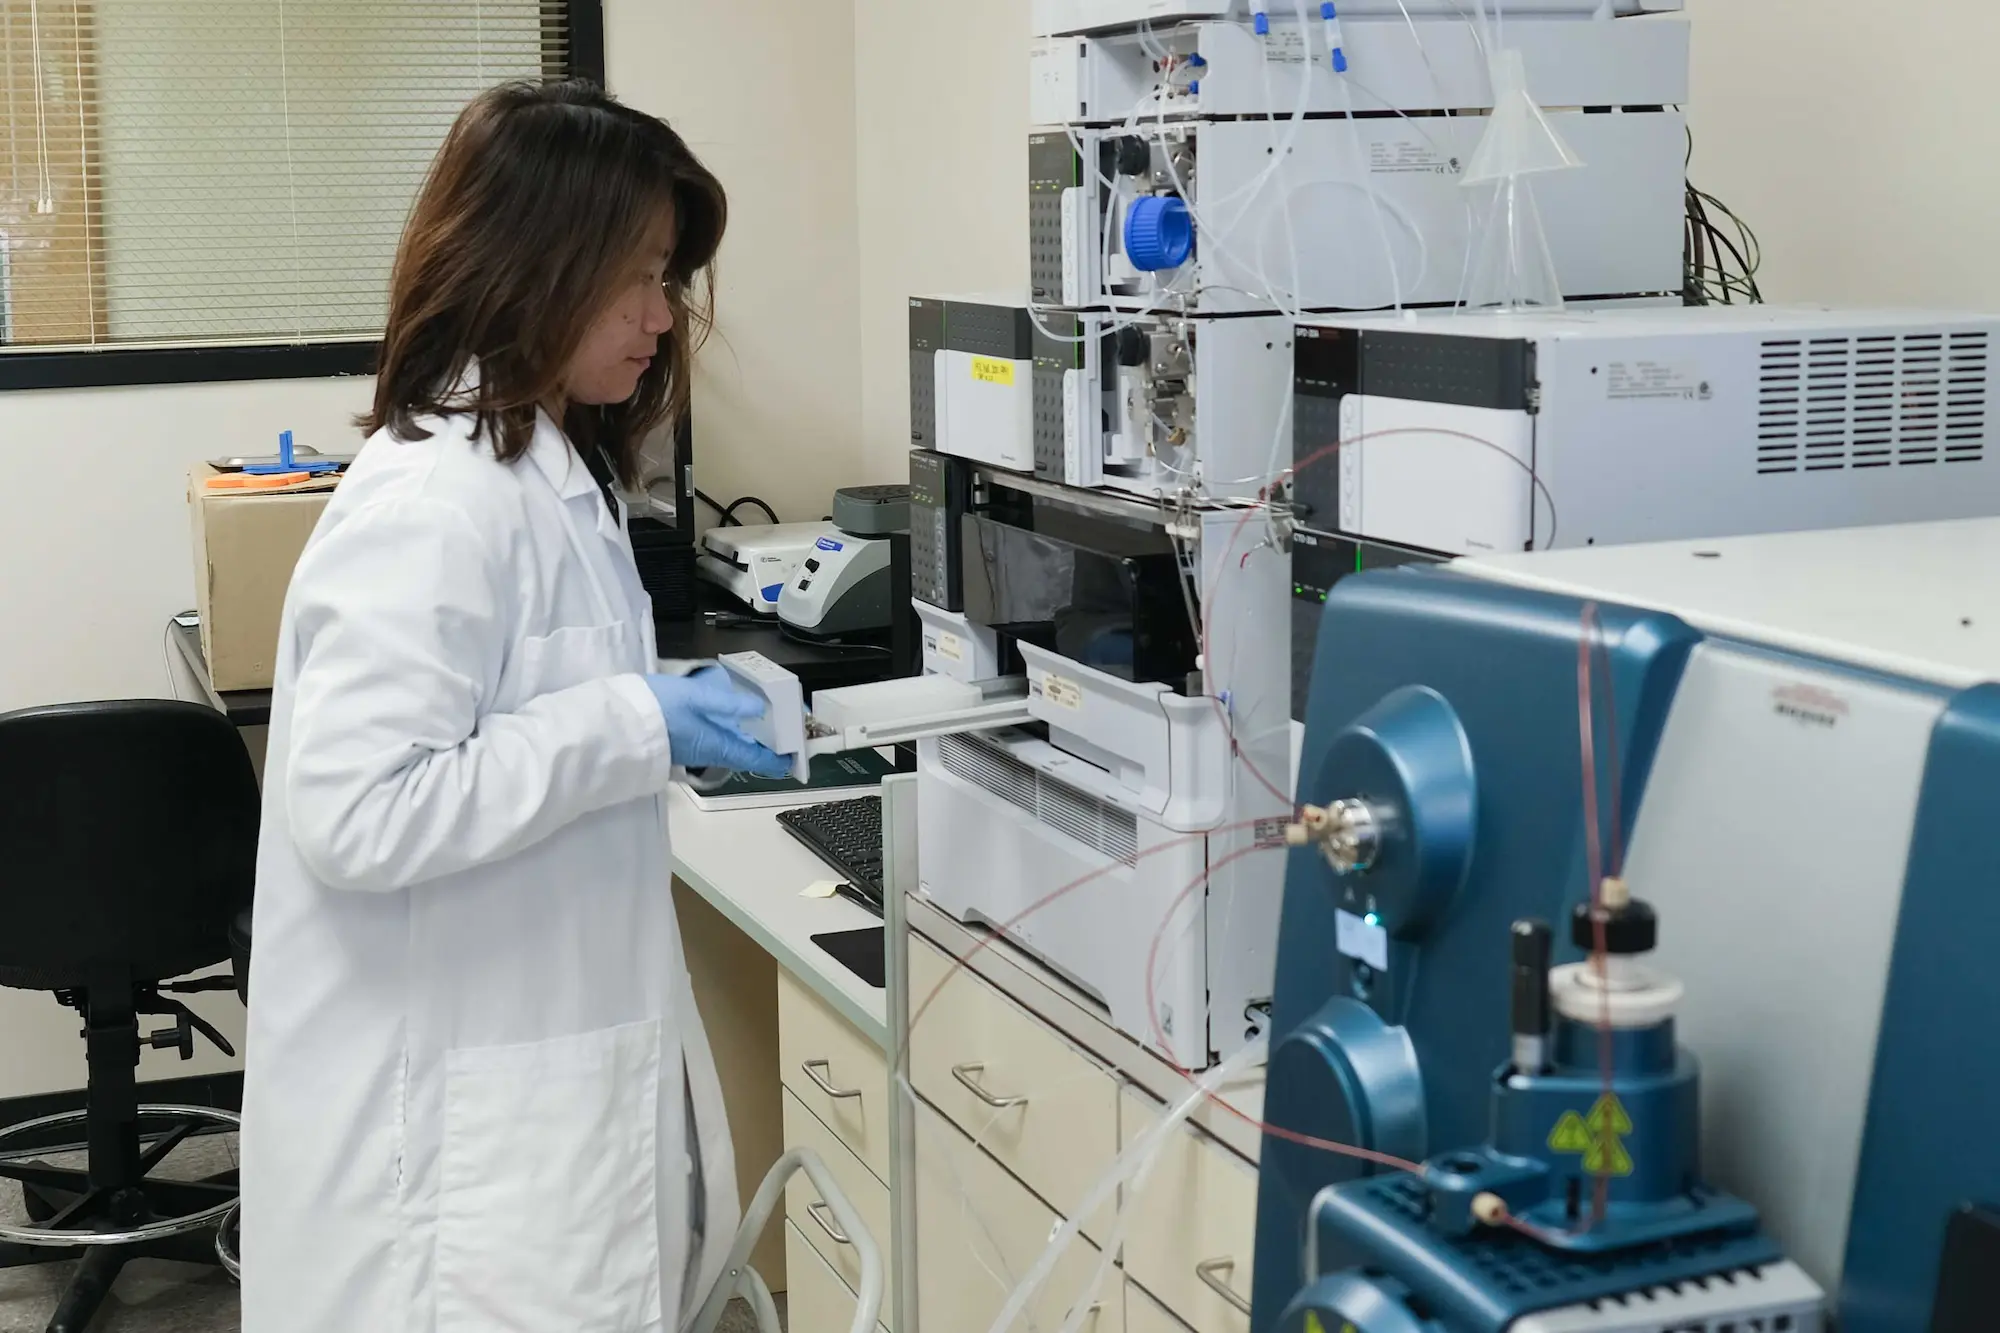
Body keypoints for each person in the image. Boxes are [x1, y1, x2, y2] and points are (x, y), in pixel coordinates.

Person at [238, 80, 792, 1333]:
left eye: (667, 277)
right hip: (450, 1159)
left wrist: (637, 720)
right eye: (637, 277)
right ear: (535, 262)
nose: (662, 316)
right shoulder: (436, 500)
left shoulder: (546, 465)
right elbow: (361, 813)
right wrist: (637, 723)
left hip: (532, 1097)